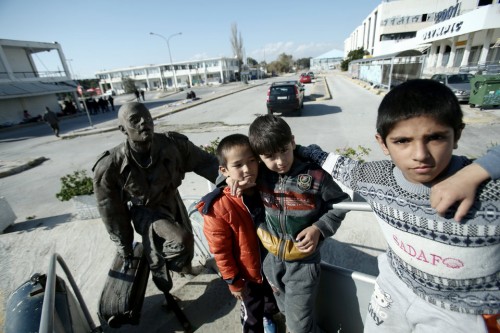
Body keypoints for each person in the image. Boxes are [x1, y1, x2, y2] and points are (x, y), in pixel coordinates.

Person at [297, 79, 499, 332]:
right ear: (383, 143)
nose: (420, 155)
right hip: (394, 291)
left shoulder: (489, 190)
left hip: (461, 313)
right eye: (403, 141)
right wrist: (290, 149)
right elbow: (334, 163)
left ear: (457, 135)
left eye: (435, 137)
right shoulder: (376, 179)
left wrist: (479, 171)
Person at [92, 102, 219, 306]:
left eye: (147, 118)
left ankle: (183, 269)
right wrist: (124, 246)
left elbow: (206, 162)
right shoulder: (110, 166)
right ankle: (167, 287)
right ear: (123, 129)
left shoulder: (173, 144)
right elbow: (111, 211)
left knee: (187, 243)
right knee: (179, 240)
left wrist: (230, 182)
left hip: (172, 200)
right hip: (147, 212)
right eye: (135, 120)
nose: (144, 123)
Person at [238, 115, 350, 333]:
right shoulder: (260, 174)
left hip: (303, 264)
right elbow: (227, 168)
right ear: (259, 157)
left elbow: (340, 203)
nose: (280, 161)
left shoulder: (314, 175)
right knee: (288, 313)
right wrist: (231, 180)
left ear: (292, 141)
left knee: (298, 327)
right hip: (271, 262)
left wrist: (319, 228)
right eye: (270, 156)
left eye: (284, 150)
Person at [196, 133, 278, 333]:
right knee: (252, 314)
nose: (247, 169)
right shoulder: (218, 207)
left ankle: (268, 317)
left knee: (269, 302)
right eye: (238, 165)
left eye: (252, 161)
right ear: (224, 171)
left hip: (270, 267)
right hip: (247, 275)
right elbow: (220, 251)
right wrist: (233, 282)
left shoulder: (266, 187)